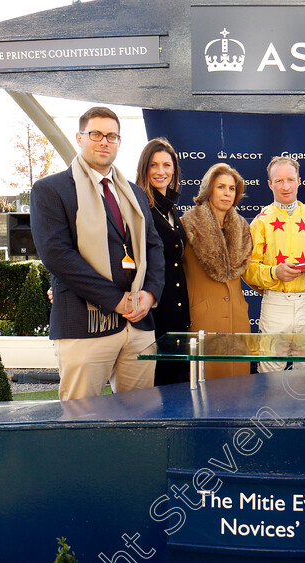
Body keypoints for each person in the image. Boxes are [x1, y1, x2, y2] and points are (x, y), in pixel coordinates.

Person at [31, 106, 164, 400]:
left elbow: (154, 247)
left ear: (119, 143)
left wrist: (150, 294)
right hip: (84, 324)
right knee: (81, 421)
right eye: (96, 134)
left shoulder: (134, 193)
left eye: (112, 136)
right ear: (80, 137)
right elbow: (57, 255)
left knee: (139, 419)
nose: (104, 142)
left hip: (138, 323)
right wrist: (115, 300)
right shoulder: (50, 190)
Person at [243, 156, 305, 373]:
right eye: (279, 181)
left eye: (290, 180)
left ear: (299, 181)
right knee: (270, 369)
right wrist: (274, 272)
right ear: (270, 184)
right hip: (276, 304)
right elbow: (249, 269)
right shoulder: (260, 222)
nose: (285, 186)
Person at [181, 163, 252, 378]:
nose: (227, 193)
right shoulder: (187, 224)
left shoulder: (243, 227)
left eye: (232, 189)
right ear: (208, 189)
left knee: (239, 389)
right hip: (203, 318)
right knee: (205, 387)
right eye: (221, 187)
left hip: (238, 320)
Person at [134, 138, 190, 386]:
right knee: (156, 388)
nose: (161, 172)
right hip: (153, 314)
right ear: (144, 169)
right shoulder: (138, 206)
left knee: (178, 387)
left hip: (176, 315)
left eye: (167, 165)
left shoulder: (171, 210)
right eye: (154, 165)